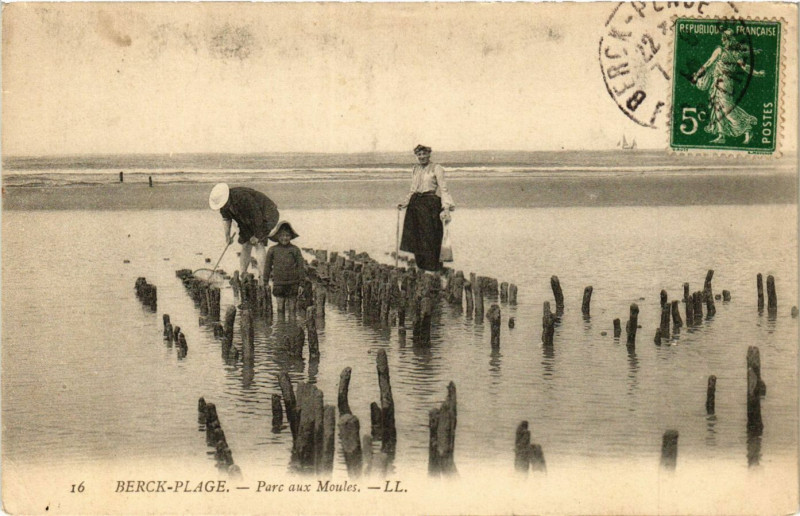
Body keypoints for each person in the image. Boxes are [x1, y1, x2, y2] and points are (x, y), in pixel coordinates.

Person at [691, 28, 765, 144]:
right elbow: (710, 63)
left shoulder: (724, 51)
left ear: (729, 40)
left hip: (725, 83)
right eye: (722, 39)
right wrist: (757, 72)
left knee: (726, 108)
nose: (722, 40)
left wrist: (757, 73)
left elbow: (709, 63)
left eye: (724, 39)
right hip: (718, 82)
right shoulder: (734, 53)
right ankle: (721, 136)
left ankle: (747, 128)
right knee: (717, 107)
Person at [397, 145, 455, 272]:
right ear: (417, 156)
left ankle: (433, 269)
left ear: (429, 154)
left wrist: (446, 208)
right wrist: (405, 202)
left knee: (430, 236)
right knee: (415, 236)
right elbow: (413, 189)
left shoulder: (436, 168)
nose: (422, 157)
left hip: (431, 204)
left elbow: (444, 189)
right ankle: (421, 267)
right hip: (415, 204)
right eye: (419, 155)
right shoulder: (415, 169)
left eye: (424, 154)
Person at [208, 183, 280, 283]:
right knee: (246, 244)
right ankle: (243, 274)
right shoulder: (224, 206)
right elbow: (226, 219)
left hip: (266, 214)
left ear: (227, 197)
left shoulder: (243, 197)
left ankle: (263, 277)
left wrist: (257, 235)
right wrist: (227, 236)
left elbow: (257, 215)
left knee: (259, 244)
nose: (223, 206)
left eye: (224, 204)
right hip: (247, 219)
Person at [264, 220, 305, 315]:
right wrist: (265, 282)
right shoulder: (272, 250)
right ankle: (281, 327)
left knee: (292, 310)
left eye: (287, 235)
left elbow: (300, 267)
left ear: (291, 236)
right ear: (277, 236)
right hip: (279, 284)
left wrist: (301, 284)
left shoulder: (295, 250)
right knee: (280, 309)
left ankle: (291, 327)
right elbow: (267, 267)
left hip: (293, 283)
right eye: (282, 236)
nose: (284, 238)